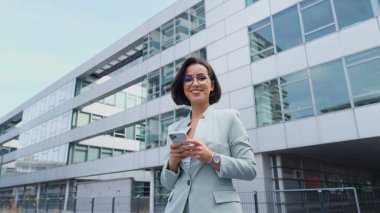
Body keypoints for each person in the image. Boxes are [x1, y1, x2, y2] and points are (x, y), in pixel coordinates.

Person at [161, 57, 257, 213]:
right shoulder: (174, 128)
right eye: (188, 79)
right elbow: (167, 183)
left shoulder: (229, 118)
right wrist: (172, 163)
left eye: (201, 77)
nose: (195, 83)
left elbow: (250, 169)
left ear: (211, 85)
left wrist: (211, 158)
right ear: (183, 86)